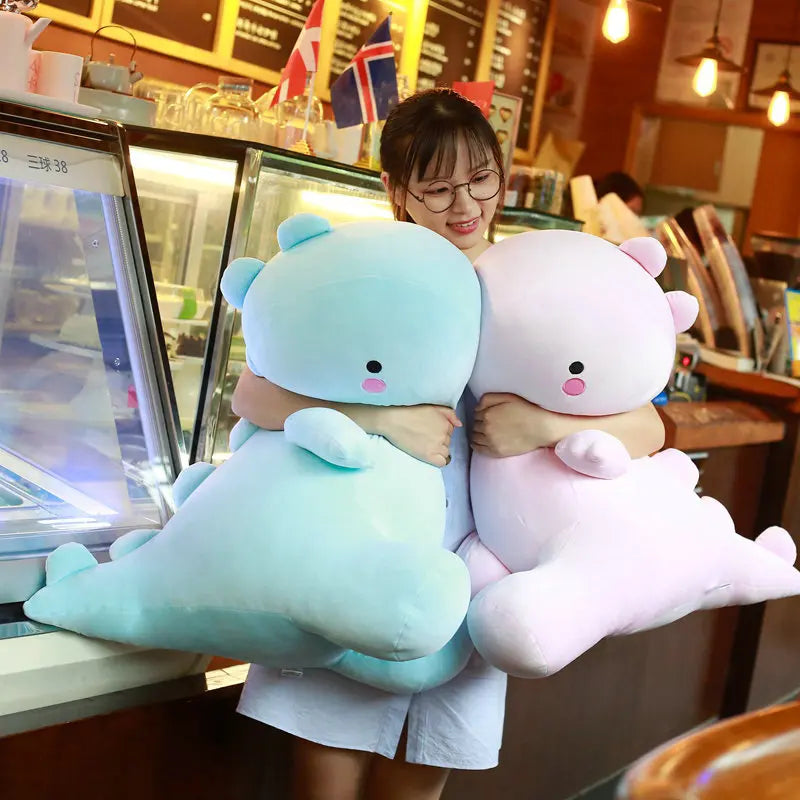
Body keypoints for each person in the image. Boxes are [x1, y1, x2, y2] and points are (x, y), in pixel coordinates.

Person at [232, 88, 665, 800]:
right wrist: (379, 419)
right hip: (357, 557)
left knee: (416, 784)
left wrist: (546, 426)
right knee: (324, 785)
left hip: (478, 579)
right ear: (394, 190)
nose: (465, 206)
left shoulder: (535, 284)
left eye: (480, 180)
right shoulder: (366, 270)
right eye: (436, 190)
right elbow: (254, 394)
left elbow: (648, 426)